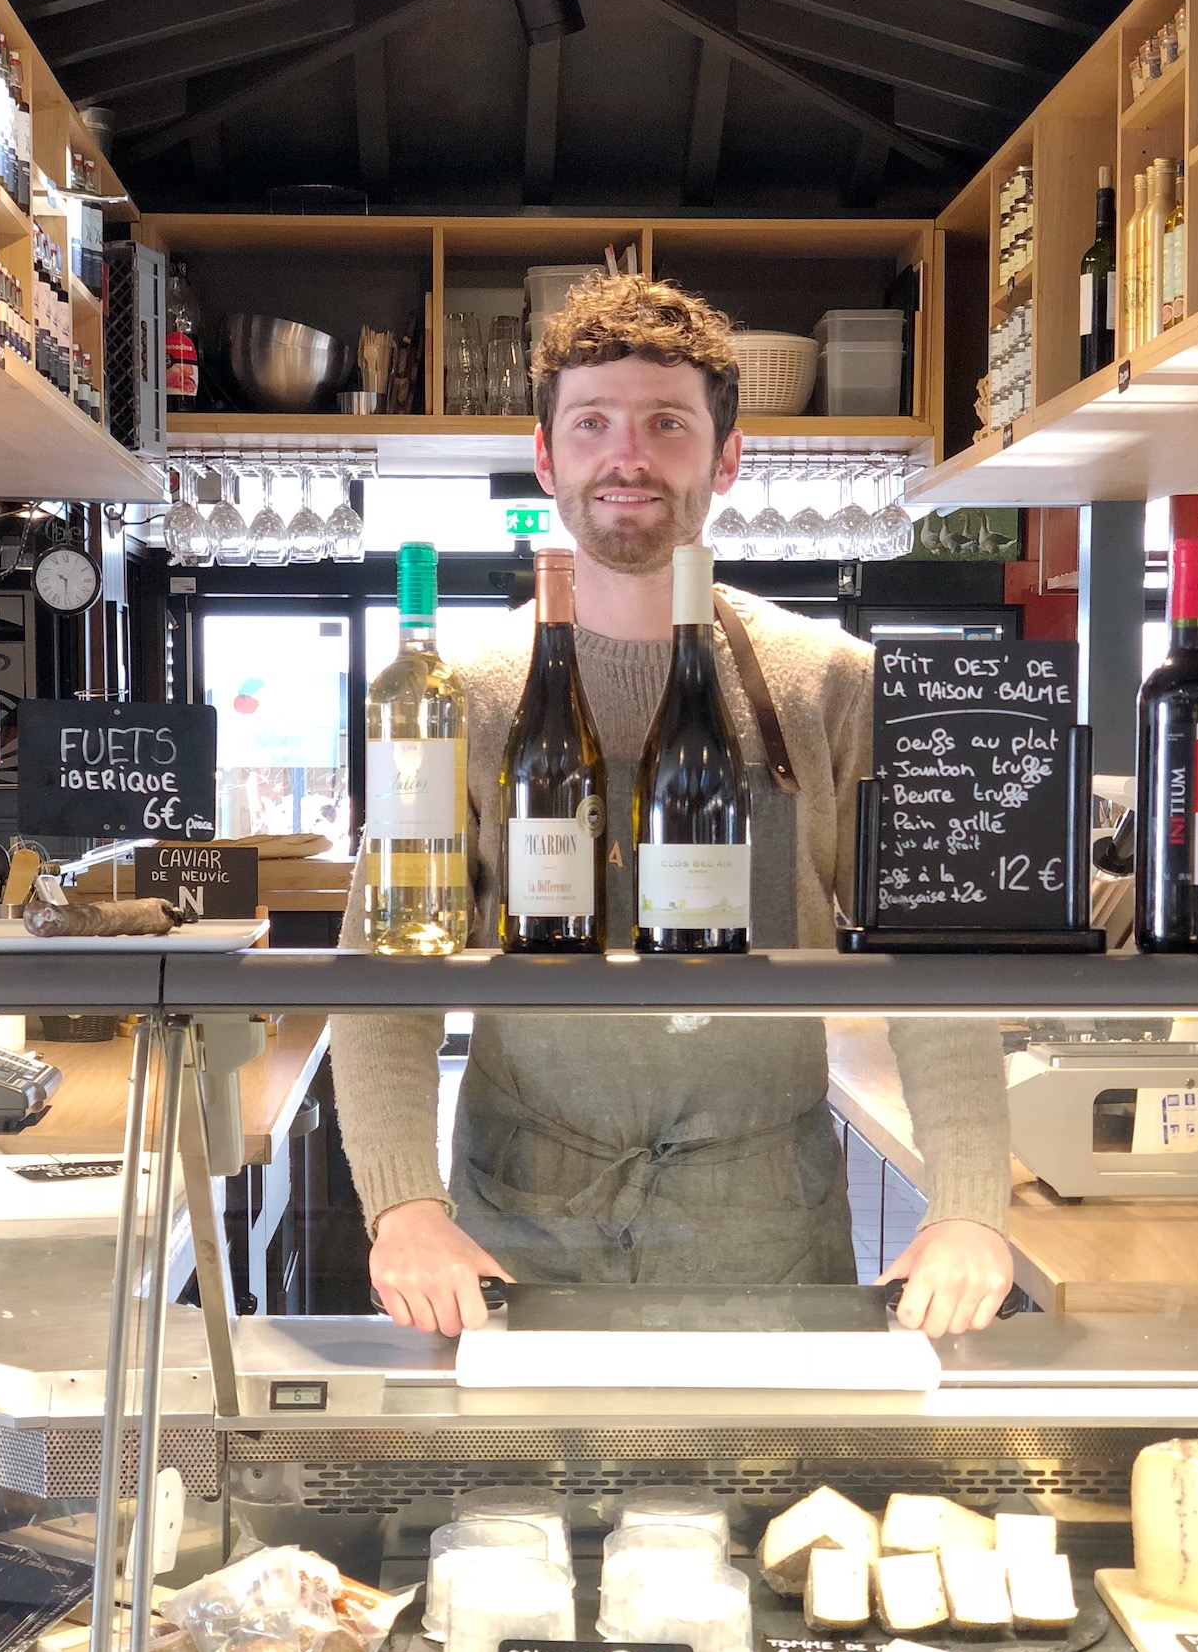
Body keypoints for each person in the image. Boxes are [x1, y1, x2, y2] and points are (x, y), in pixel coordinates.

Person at [330, 274, 1013, 1340]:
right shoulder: (459, 697)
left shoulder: (830, 685)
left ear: (726, 457)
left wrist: (969, 1204)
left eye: (666, 424)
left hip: (771, 1234)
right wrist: (404, 1206)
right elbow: (382, 974)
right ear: (547, 457)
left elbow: (932, 961)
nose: (628, 456)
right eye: (592, 423)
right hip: (517, 1233)